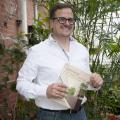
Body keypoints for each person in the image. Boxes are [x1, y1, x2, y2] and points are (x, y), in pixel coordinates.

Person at [16, 3, 103, 120]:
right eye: (62, 19)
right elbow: (21, 84)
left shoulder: (82, 50)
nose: (67, 23)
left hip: (80, 114)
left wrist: (94, 83)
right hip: (51, 116)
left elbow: (86, 83)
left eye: (70, 20)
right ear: (52, 22)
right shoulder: (37, 51)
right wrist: (45, 91)